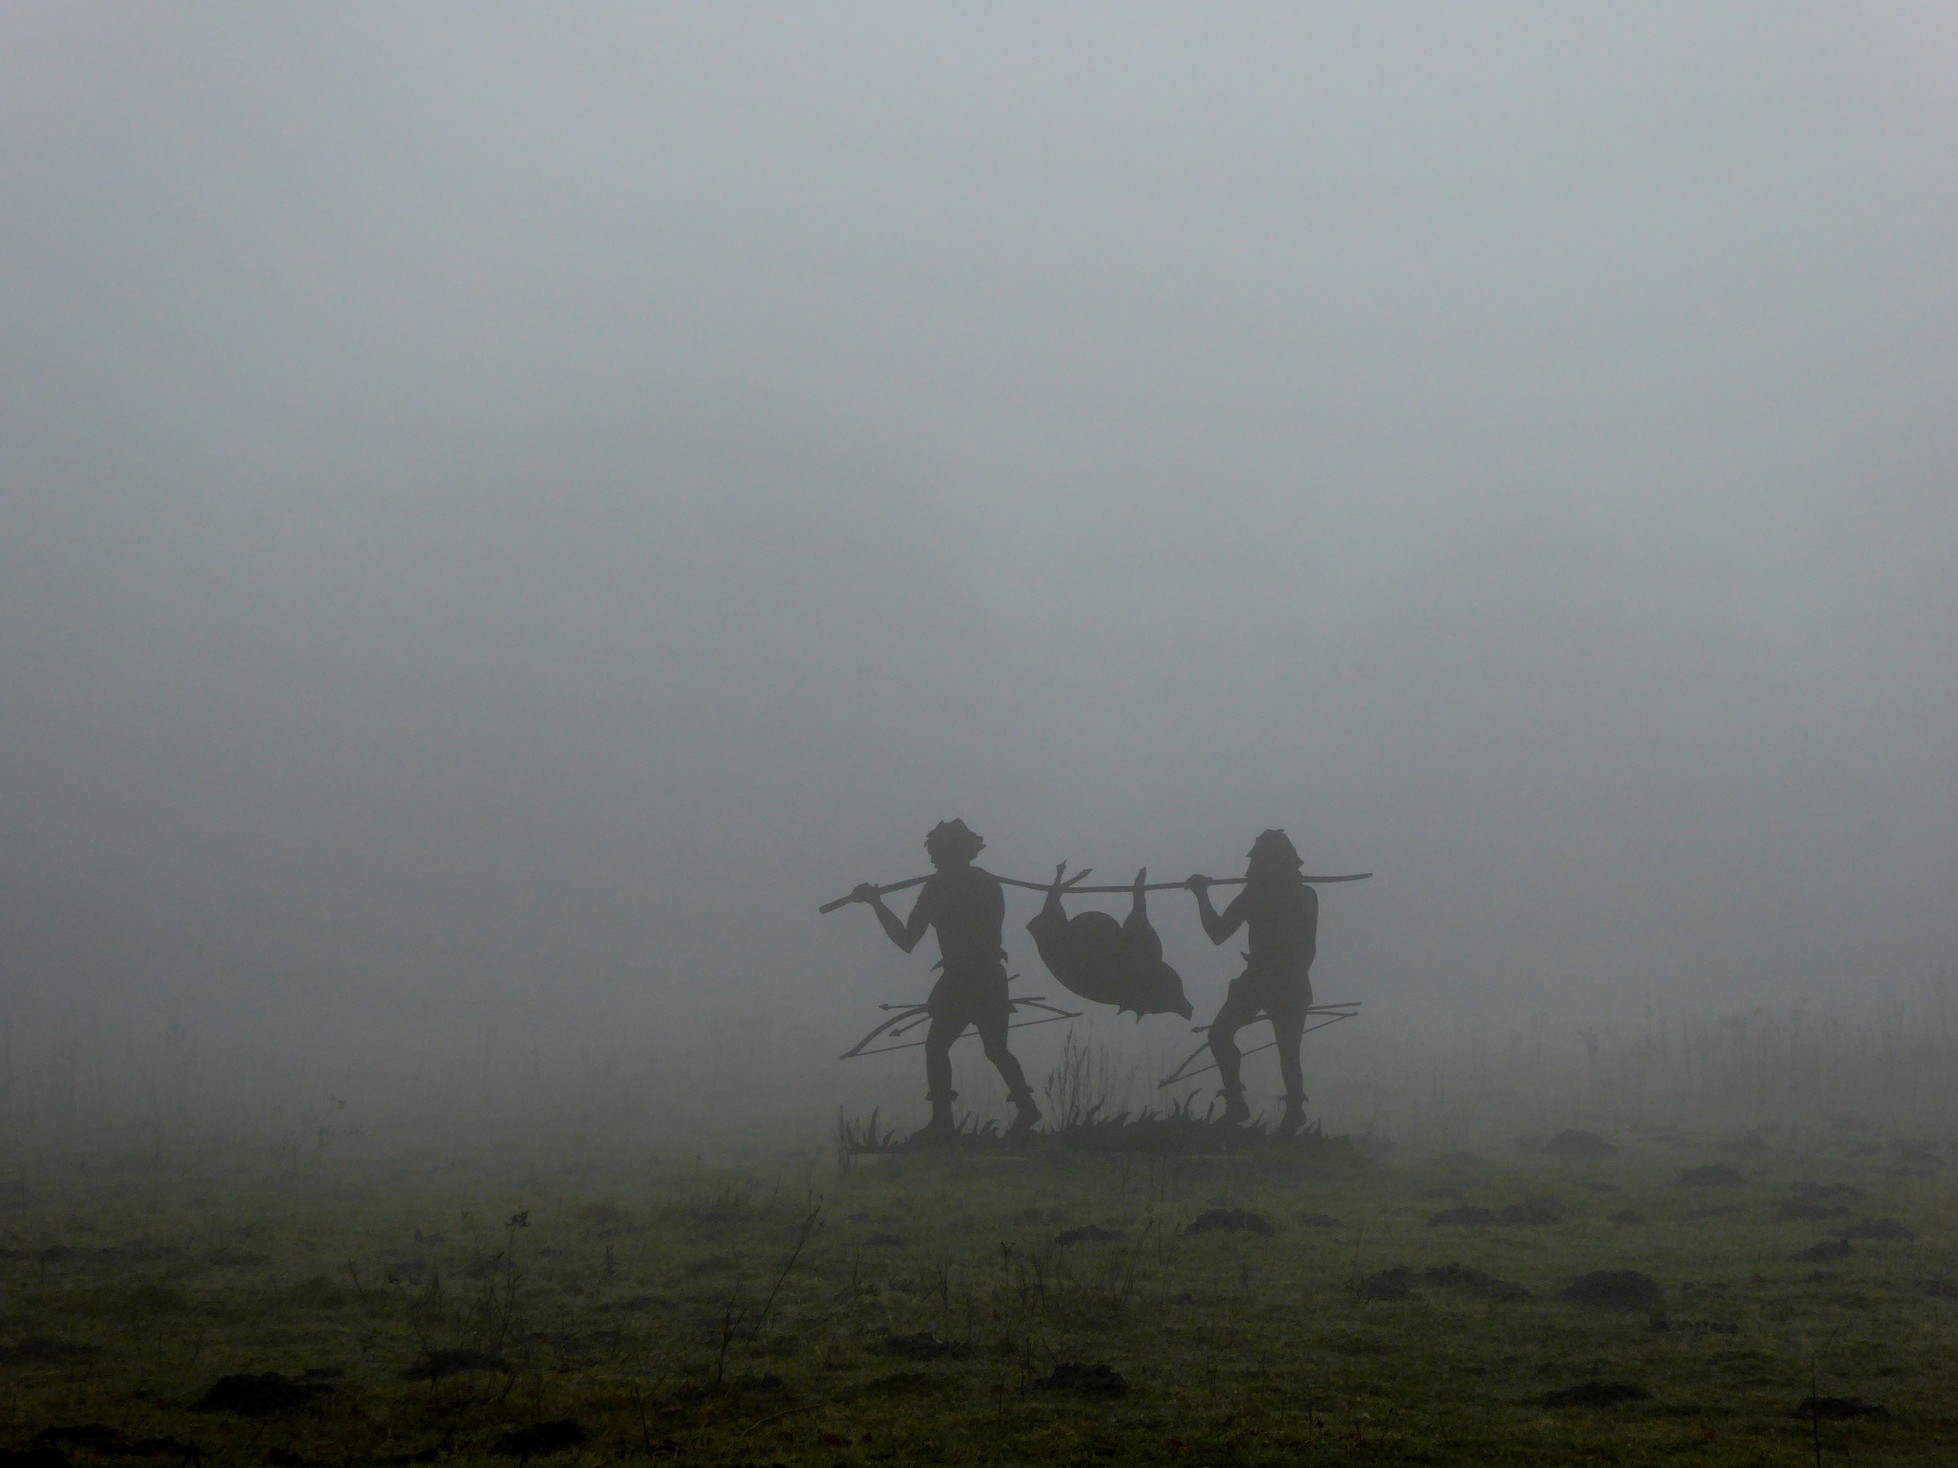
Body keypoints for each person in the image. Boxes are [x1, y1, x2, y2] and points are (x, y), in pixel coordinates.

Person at [850, 819, 1040, 1137]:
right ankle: (1025, 1108)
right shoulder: (985, 883)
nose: (933, 859)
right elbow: (916, 940)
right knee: (995, 1049)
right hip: (990, 978)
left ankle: (943, 1122)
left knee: (938, 1047)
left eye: (937, 853)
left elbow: (907, 940)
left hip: (963, 980)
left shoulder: (940, 889)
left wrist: (877, 904)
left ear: (952, 852)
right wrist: (878, 903)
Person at [1187, 828, 1319, 1132]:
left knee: (1286, 1051)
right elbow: (1219, 933)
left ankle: (1280, 1110)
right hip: (1273, 981)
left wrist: (1201, 894)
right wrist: (1201, 895)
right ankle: (1240, 1104)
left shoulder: (1269, 895)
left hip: (1274, 981)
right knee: (1227, 1036)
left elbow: (1217, 933)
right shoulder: (1291, 895)